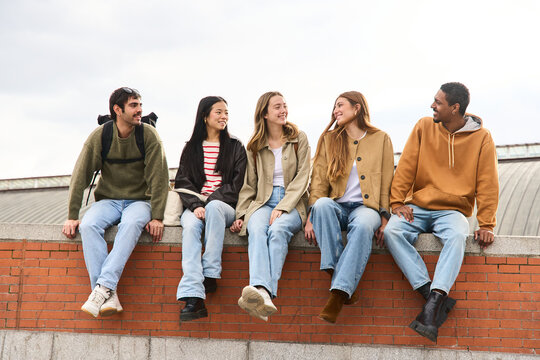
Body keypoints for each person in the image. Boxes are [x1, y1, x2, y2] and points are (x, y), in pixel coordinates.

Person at [384, 82, 499, 342]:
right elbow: (406, 167)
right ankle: (433, 300)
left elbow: (488, 183)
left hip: (453, 210)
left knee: (458, 236)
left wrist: (486, 224)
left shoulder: (482, 138)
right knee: (392, 231)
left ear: (455, 108)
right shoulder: (424, 127)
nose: (432, 106)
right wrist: (396, 203)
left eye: (438, 102)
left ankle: (433, 302)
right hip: (418, 206)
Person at [62, 87, 169, 318]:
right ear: (117, 110)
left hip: (140, 201)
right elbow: (80, 176)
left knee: (130, 225)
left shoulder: (149, 135)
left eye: (140, 104)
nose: (139, 109)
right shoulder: (101, 135)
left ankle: (100, 290)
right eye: (133, 105)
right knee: (89, 225)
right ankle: (108, 294)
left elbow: (160, 179)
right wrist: (72, 215)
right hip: (108, 200)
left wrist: (158, 216)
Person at [305, 91, 394, 324]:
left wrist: (385, 218)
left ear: (357, 108)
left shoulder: (381, 138)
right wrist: (310, 217)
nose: (336, 110)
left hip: (367, 208)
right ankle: (339, 278)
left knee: (364, 224)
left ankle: (338, 295)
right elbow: (319, 181)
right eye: (334, 106)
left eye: (340, 105)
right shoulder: (330, 139)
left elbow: (387, 180)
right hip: (338, 205)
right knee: (322, 205)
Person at [230, 91, 310, 321]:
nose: (283, 110)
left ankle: (263, 291)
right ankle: (263, 294)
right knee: (256, 229)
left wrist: (283, 207)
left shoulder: (299, 138)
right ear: (265, 113)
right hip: (262, 201)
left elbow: (303, 177)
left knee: (277, 231)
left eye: (284, 105)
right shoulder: (254, 146)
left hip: (293, 202)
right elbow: (249, 186)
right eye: (277, 107)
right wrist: (242, 214)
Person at [174, 96, 247, 322]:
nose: (224, 116)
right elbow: (182, 182)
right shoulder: (191, 147)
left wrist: (208, 202)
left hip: (223, 206)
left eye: (226, 112)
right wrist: (196, 205)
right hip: (196, 206)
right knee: (191, 227)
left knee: (214, 207)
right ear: (205, 116)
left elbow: (237, 184)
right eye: (218, 112)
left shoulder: (235, 147)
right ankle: (193, 296)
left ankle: (210, 273)